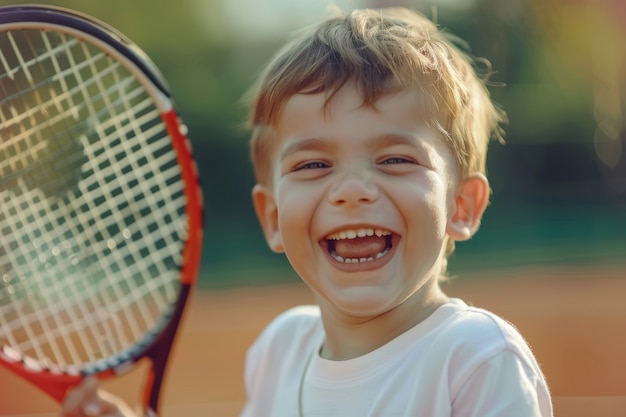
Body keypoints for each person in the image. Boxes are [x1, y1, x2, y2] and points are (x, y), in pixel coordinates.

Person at [61, 6, 553, 417]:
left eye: (396, 160)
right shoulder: (280, 351)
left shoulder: (476, 360)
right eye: (314, 164)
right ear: (272, 218)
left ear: (461, 206)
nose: (353, 190)